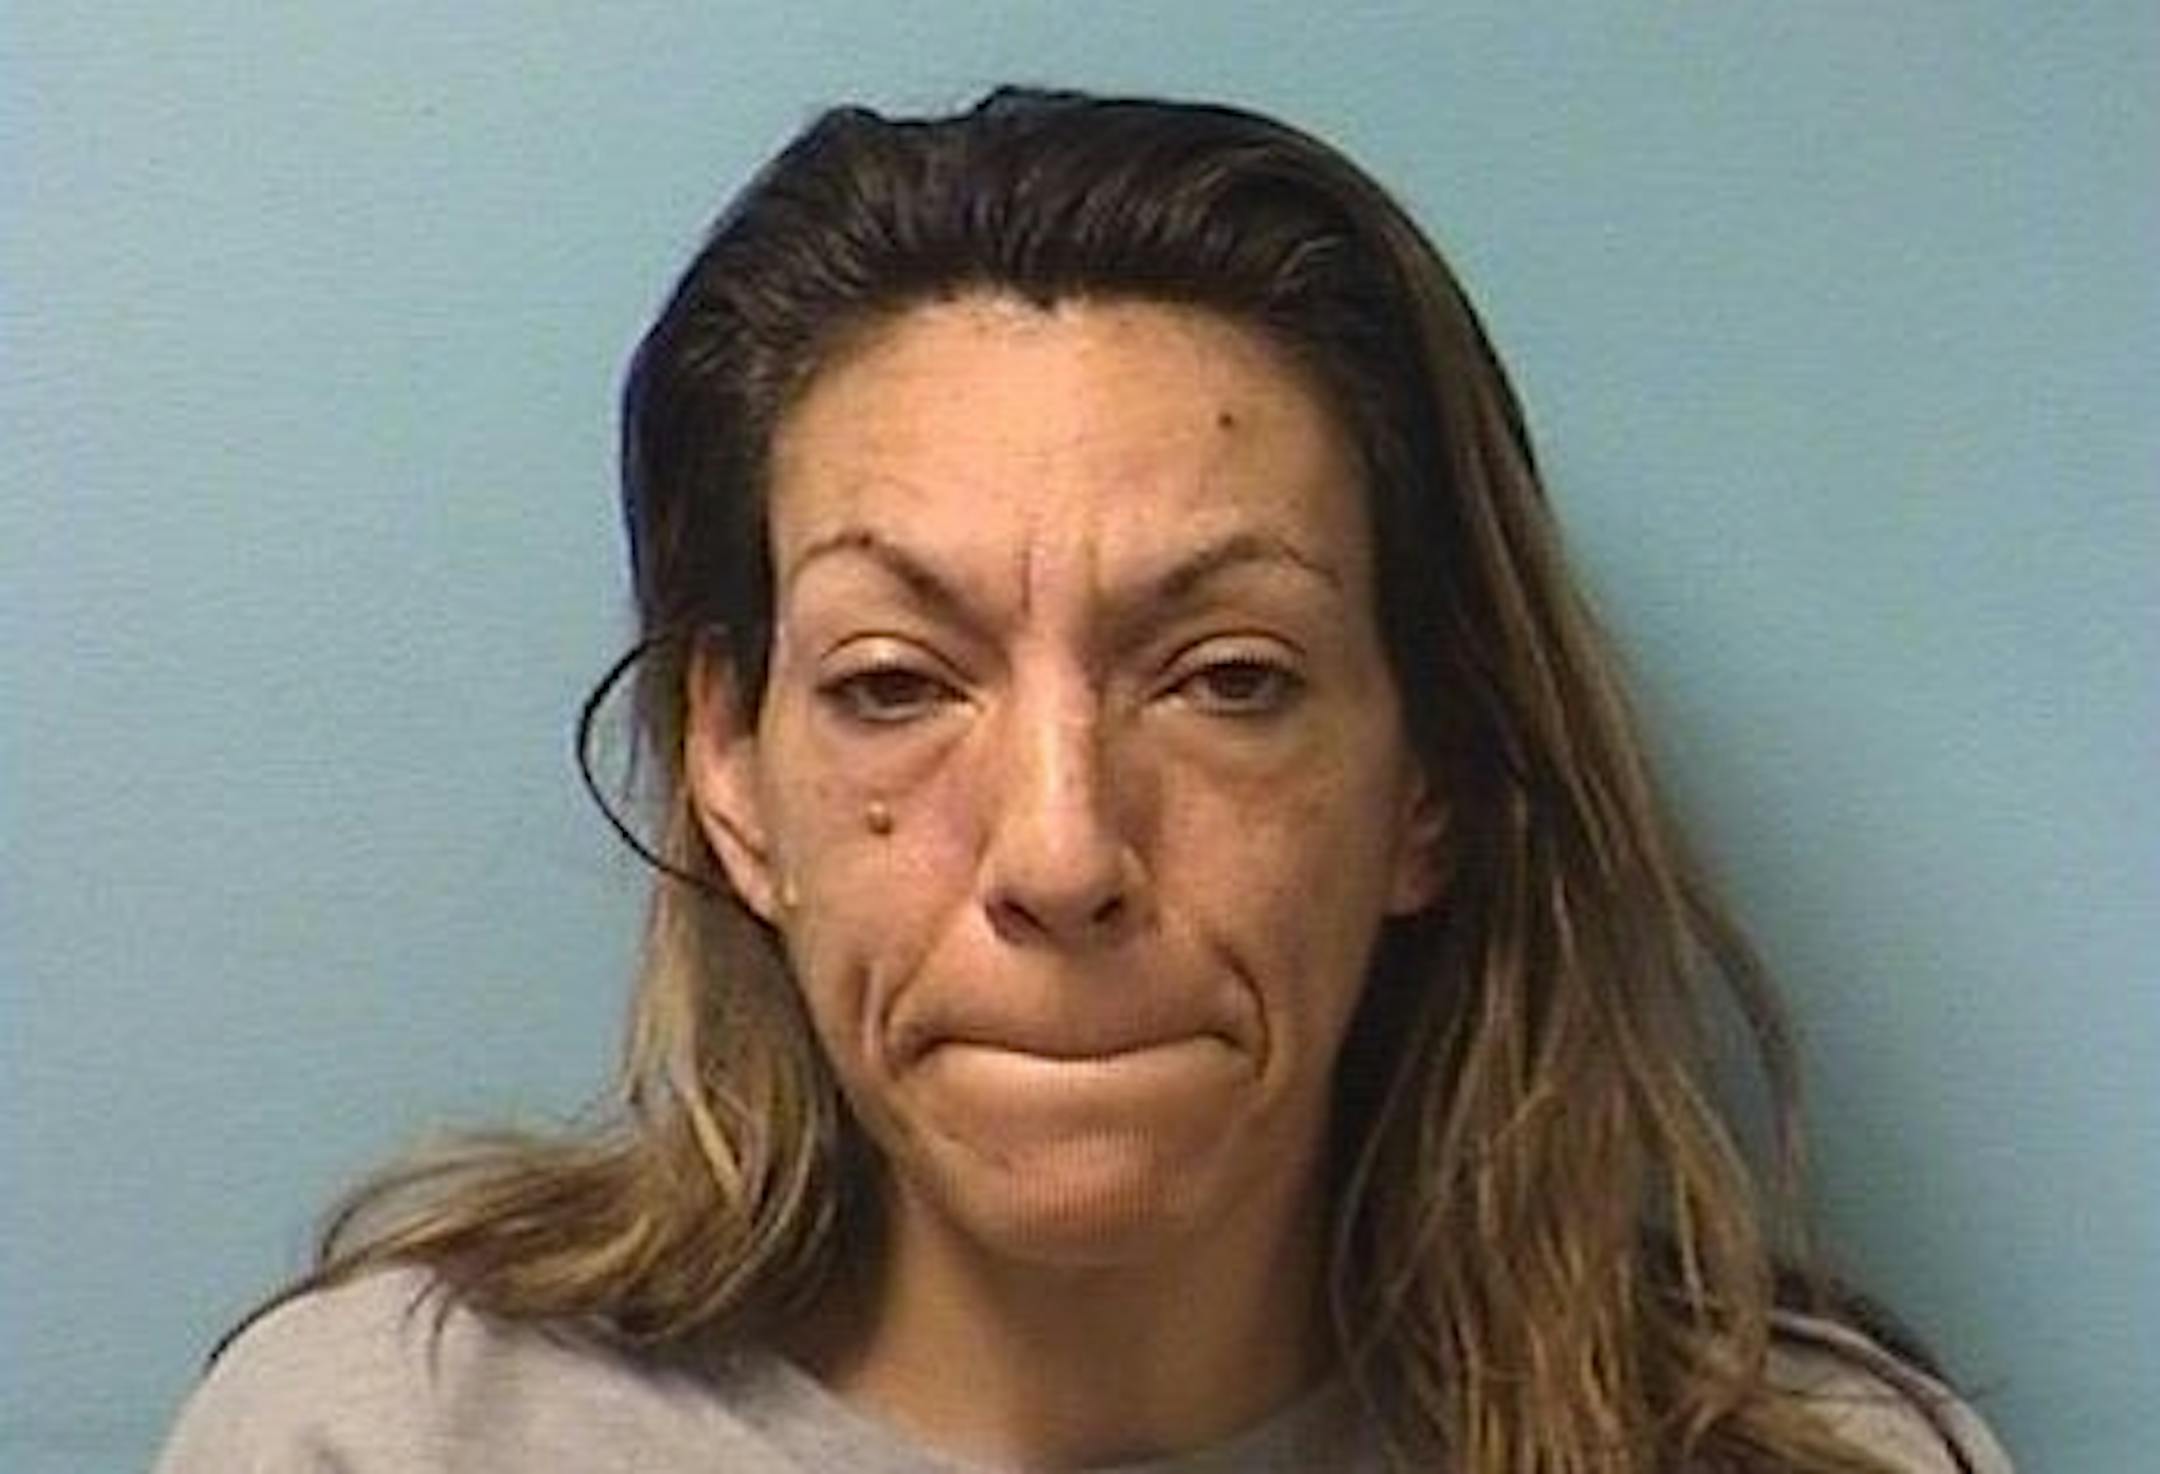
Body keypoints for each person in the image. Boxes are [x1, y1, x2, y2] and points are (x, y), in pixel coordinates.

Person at [155, 88, 2014, 1473]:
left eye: (1229, 680)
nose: (1059, 851)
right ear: (731, 771)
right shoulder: (388, 1439)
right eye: (895, 683)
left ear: (1432, 777)